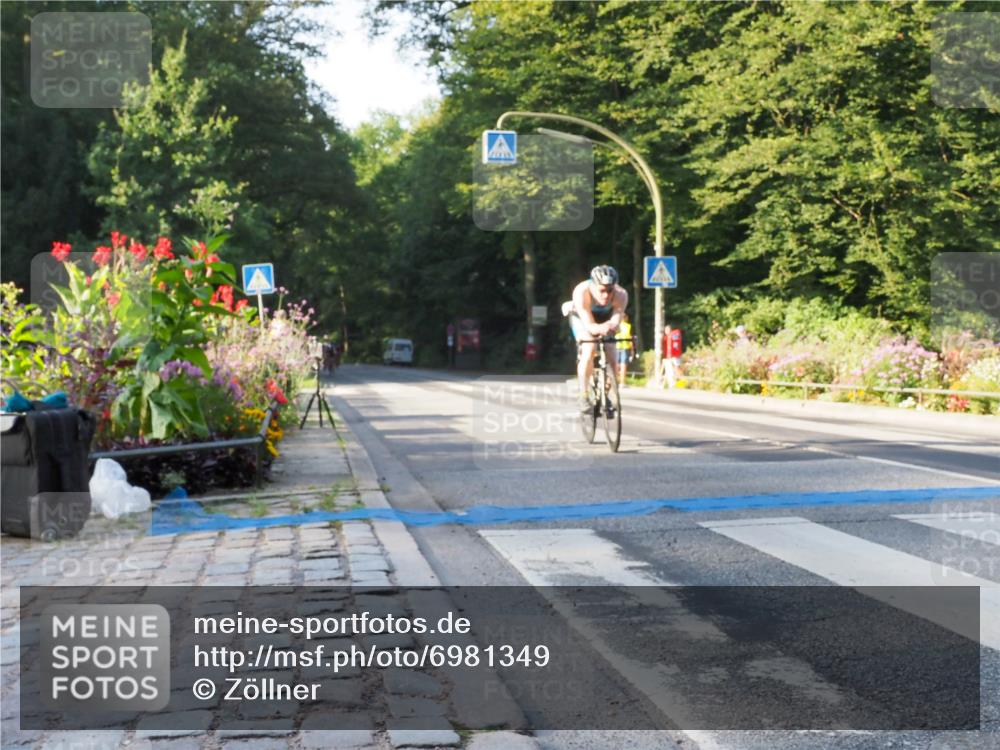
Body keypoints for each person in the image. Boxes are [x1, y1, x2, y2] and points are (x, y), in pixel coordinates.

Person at [564, 265, 629, 412]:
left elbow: (616, 319)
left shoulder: (621, 294)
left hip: (605, 319)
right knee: (589, 348)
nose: (606, 295)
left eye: (610, 290)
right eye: (602, 290)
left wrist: (611, 326)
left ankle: (606, 395)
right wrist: (600, 328)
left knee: (613, 357)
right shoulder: (582, 291)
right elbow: (589, 325)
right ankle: (584, 394)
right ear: (593, 285)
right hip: (582, 318)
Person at [617, 313, 634, 386]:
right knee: (623, 365)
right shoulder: (628, 326)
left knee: (616, 365)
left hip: (616, 346)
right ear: (626, 318)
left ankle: (615, 380)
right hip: (625, 347)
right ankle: (622, 382)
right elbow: (630, 338)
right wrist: (632, 349)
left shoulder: (616, 325)